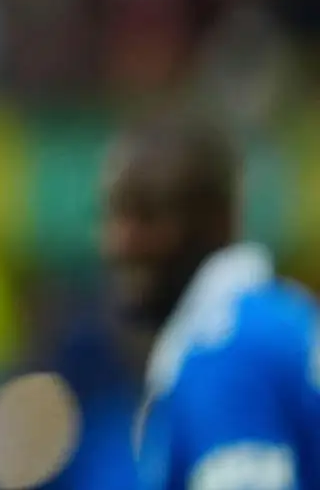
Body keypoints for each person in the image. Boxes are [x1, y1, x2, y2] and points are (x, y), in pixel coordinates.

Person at [100, 111, 320, 490]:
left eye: (147, 215)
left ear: (217, 220)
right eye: (115, 216)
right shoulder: (272, 318)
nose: (118, 242)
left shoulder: (224, 352)